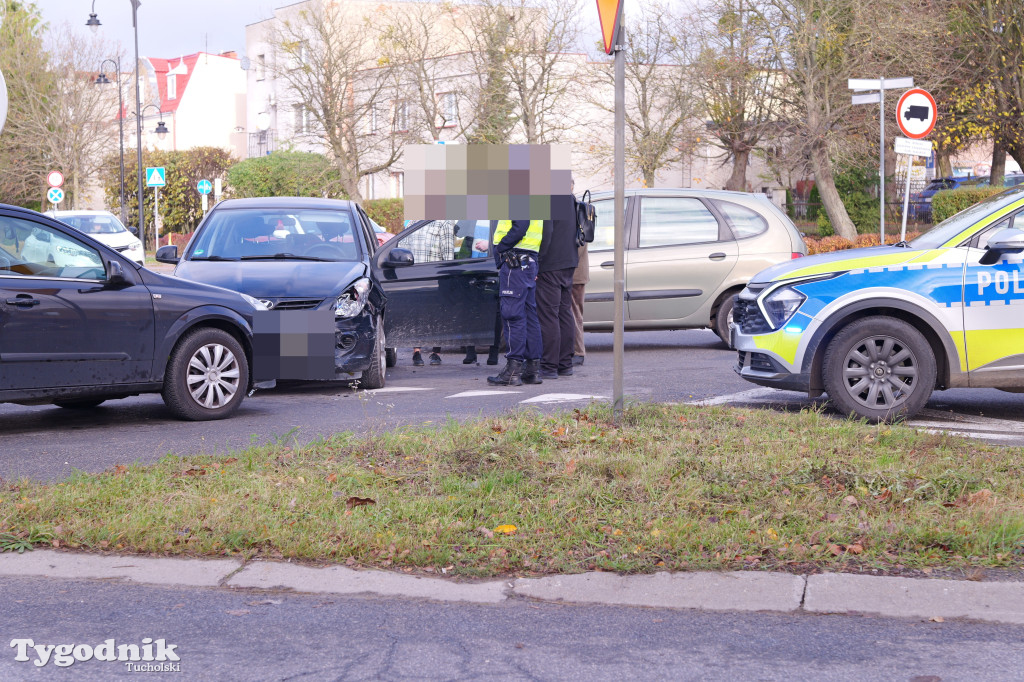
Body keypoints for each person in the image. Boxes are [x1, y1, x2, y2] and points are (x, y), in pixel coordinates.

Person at [487, 218, 544, 386]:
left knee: (512, 315)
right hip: (528, 259)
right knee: (529, 315)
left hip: (515, 260)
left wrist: (500, 249)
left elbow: (520, 227)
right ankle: (532, 370)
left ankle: (513, 371)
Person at [536, 191, 580, 379]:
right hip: (569, 261)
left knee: (548, 315)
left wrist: (538, 261)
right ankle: (565, 364)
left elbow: (547, 231)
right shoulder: (568, 196)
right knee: (564, 312)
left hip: (550, 264)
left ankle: (548, 366)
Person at [404, 220, 455, 366]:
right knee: (416, 315)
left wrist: (447, 278)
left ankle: (436, 352)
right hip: (415, 277)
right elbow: (403, 248)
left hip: (435, 277)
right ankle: (417, 352)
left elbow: (448, 254)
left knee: (436, 315)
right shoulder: (411, 223)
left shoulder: (443, 223)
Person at [571, 239, 589, 365]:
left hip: (574, 273)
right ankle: (577, 351)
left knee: (574, 313)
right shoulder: (584, 219)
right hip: (576, 272)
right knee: (575, 313)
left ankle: (578, 351)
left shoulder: (578, 219)